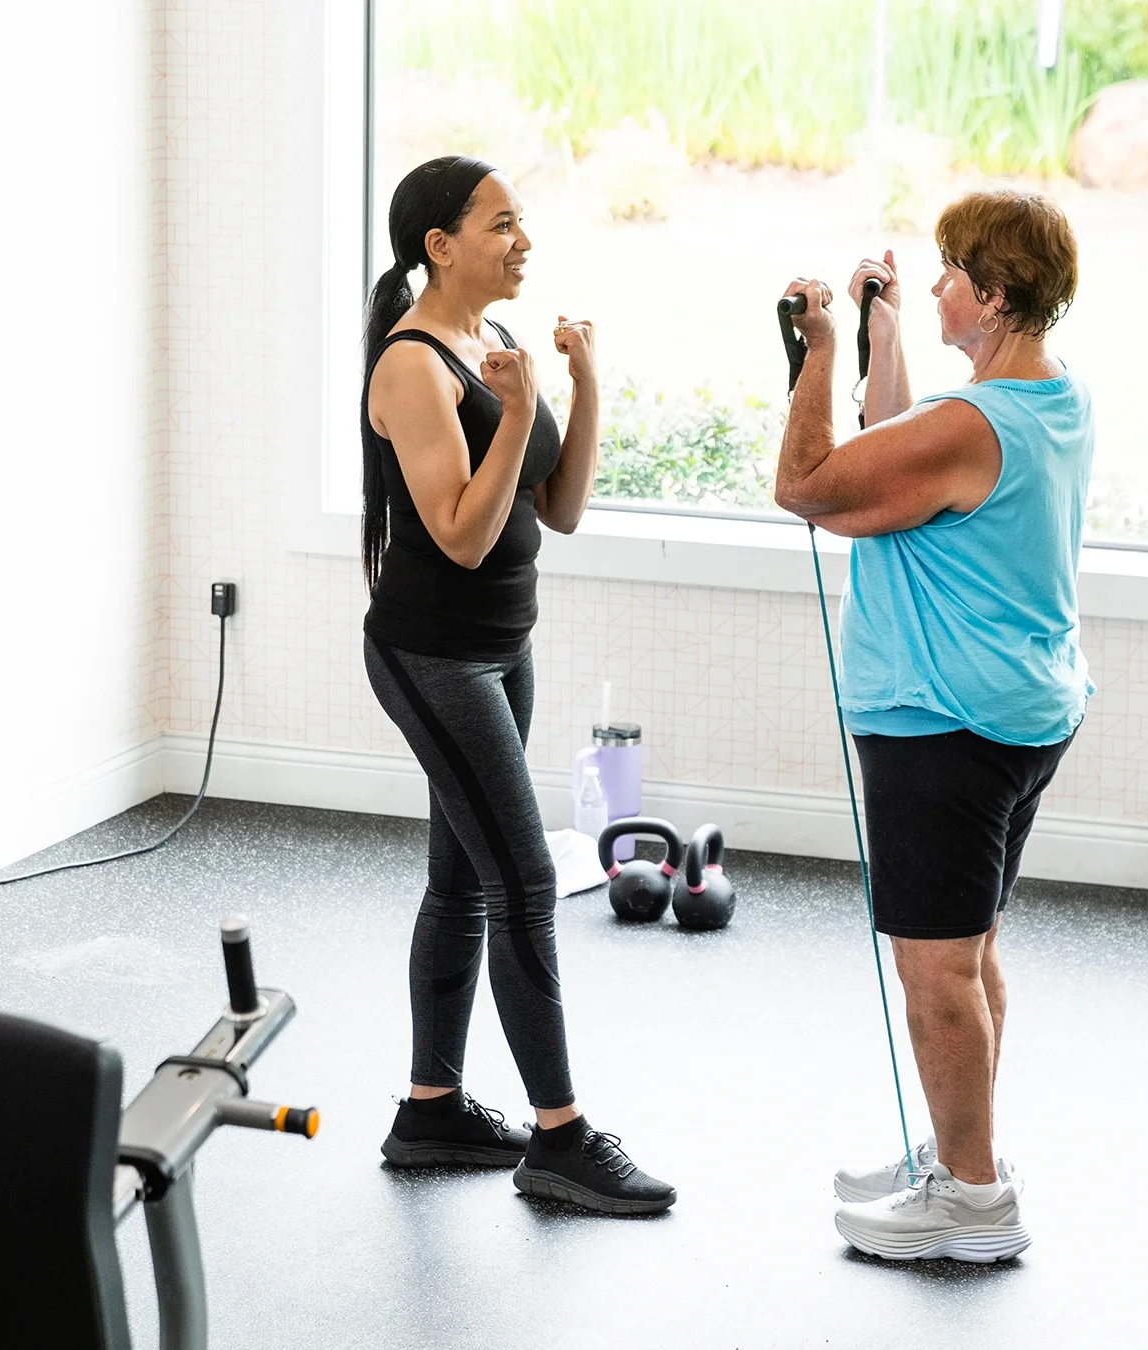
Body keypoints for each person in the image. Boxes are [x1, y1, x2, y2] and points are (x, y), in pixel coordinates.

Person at [773, 190, 1092, 1261]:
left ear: (995, 298)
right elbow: (904, 447)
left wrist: (816, 351)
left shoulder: (972, 426)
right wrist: (884, 331)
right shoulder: (1046, 400)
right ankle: (968, 1155)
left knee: (936, 973)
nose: (942, 280)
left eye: (956, 272)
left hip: (944, 728)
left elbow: (807, 484)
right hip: (1016, 714)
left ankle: (970, 1200)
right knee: (973, 952)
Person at [361, 155, 674, 1216]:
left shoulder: (493, 347)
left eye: (523, 222)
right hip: (431, 655)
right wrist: (522, 399)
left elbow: (564, 506)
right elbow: (456, 534)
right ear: (440, 246)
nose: (523, 241)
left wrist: (577, 391)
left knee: (464, 881)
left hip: (503, 646)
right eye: (502, 225)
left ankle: (431, 1110)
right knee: (525, 882)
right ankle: (560, 1138)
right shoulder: (413, 368)